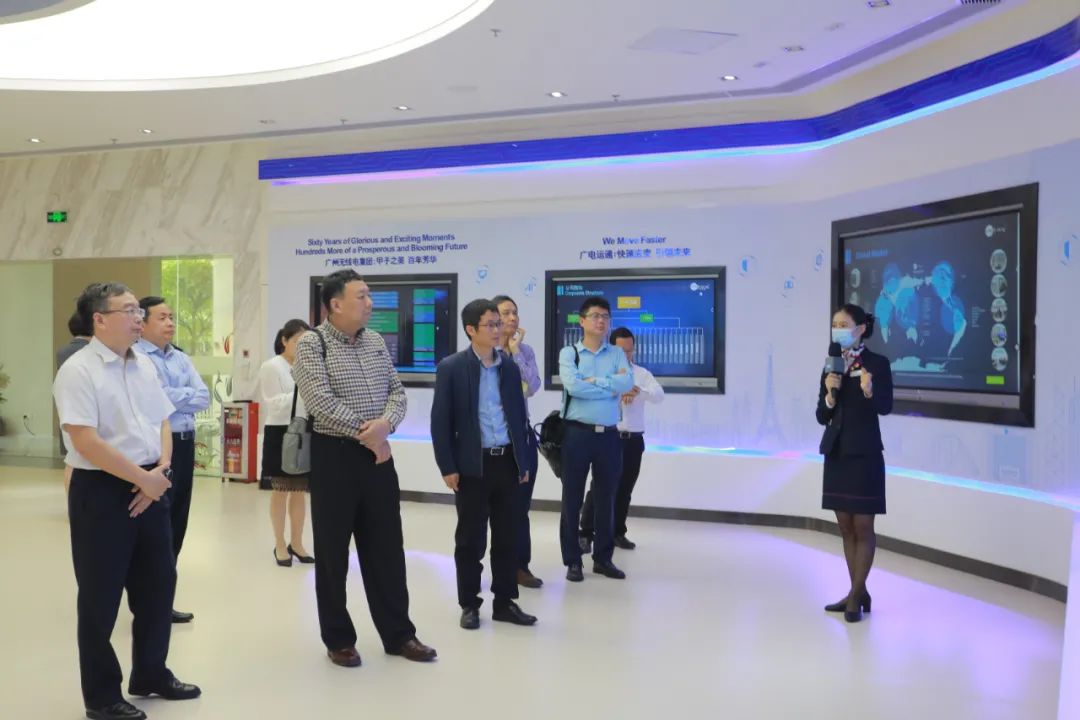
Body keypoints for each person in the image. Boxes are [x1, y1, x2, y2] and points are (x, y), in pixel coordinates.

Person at [54, 282, 200, 720]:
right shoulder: (78, 371)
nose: (139, 318)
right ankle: (102, 697)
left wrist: (161, 471)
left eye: (139, 310)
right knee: (100, 598)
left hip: (151, 482)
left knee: (158, 585)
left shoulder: (143, 364)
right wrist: (142, 479)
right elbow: (85, 440)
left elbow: (163, 420)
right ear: (100, 319)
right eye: (130, 310)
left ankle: (151, 673)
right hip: (102, 489)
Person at [292, 269, 436, 667]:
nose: (370, 303)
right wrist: (369, 433)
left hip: (378, 458)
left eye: (369, 295)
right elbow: (320, 403)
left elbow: (397, 391)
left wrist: (386, 426)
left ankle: (399, 634)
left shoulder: (374, 341)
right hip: (334, 457)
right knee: (333, 552)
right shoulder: (313, 344)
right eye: (362, 296)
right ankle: (338, 638)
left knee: (386, 549)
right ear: (336, 304)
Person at [431, 299, 538, 630]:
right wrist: (447, 466)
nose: (497, 329)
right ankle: (469, 604)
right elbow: (440, 422)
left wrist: (522, 461)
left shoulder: (509, 367)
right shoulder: (451, 368)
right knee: (470, 540)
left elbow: (518, 417)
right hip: (472, 466)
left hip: (507, 462)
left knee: (507, 537)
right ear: (470, 330)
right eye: (490, 324)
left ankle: (505, 602)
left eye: (498, 323)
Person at [135, 296, 210, 625]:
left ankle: (163, 599)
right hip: (159, 448)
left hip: (185, 444)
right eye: (162, 317)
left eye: (171, 317)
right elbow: (157, 398)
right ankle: (148, 602)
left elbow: (203, 396)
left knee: (178, 520)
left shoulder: (180, 357)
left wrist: (176, 397)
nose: (170, 323)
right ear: (142, 323)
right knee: (158, 524)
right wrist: (182, 397)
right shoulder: (137, 358)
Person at [817, 303, 894, 623]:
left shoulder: (878, 363)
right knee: (845, 527)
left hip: (865, 455)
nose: (838, 330)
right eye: (834, 324)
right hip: (837, 454)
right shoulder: (832, 364)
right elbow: (821, 415)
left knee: (863, 526)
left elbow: (885, 406)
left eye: (843, 324)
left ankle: (855, 596)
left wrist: (869, 390)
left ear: (861, 328)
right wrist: (830, 395)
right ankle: (857, 592)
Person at [558, 297, 634, 582]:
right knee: (572, 498)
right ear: (582, 321)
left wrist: (594, 382)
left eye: (605, 316)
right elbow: (574, 387)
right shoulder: (570, 353)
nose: (601, 321)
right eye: (595, 316)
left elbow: (626, 383)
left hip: (609, 436)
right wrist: (609, 386)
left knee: (606, 498)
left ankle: (603, 558)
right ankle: (573, 560)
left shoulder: (616, 353)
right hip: (576, 434)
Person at [579, 327, 664, 550]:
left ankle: (617, 532)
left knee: (625, 489)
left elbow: (659, 395)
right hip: (609, 437)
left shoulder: (642, 374)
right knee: (600, 487)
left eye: (629, 350)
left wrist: (638, 391)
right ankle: (586, 532)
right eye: (621, 350)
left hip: (633, 439)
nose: (626, 355)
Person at [492, 294, 543, 589]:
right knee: (495, 509)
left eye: (515, 313)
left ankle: (520, 566)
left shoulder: (525, 351)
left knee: (520, 507)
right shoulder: (484, 354)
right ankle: (498, 566)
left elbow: (531, 387)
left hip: (521, 439)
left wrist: (515, 352)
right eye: (505, 313)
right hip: (493, 440)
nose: (512, 318)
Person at [257, 319, 314, 567]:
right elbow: (273, 402)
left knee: (299, 491)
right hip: (279, 431)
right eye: (298, 341)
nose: (302, 346)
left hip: (303, 430)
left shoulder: (307, 366)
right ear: (284, 340)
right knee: (280, 491)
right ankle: (280, 544)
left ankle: (297, 543)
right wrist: (304, 390)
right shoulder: (271, 366)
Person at [57, 311, 93, 494]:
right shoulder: (87, 351)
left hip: (67, 409)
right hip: (82, 412)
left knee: (71, 459)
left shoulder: (63, 350)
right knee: (78, 460)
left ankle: (70, 500)